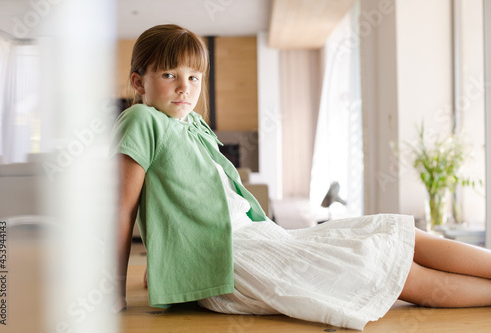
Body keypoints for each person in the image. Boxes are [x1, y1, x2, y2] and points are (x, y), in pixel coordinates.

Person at [110, 24, 491, 330]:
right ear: (139, 82)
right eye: (169, 74)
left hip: (263, 237)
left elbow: (195, 200)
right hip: (236, 258)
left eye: (194, 77)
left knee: (395, 230)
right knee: (390, 268)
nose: (184, 87)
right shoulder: (141, 119)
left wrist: (169, 263)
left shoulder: (190, 123)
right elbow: (122, 211)